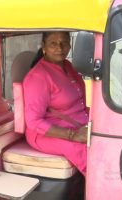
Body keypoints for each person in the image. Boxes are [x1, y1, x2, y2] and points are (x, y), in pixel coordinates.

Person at [23, 31, 89, 176]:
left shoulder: (68, 66)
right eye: (53, 43)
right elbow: (33, 122)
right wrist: (73, 135)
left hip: (79, 125)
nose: (60, 47)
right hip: (46, 134)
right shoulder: (38, 77)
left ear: (70, 45)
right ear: (43, 46)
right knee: (91, 155)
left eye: (64, 42)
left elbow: (79, 104)